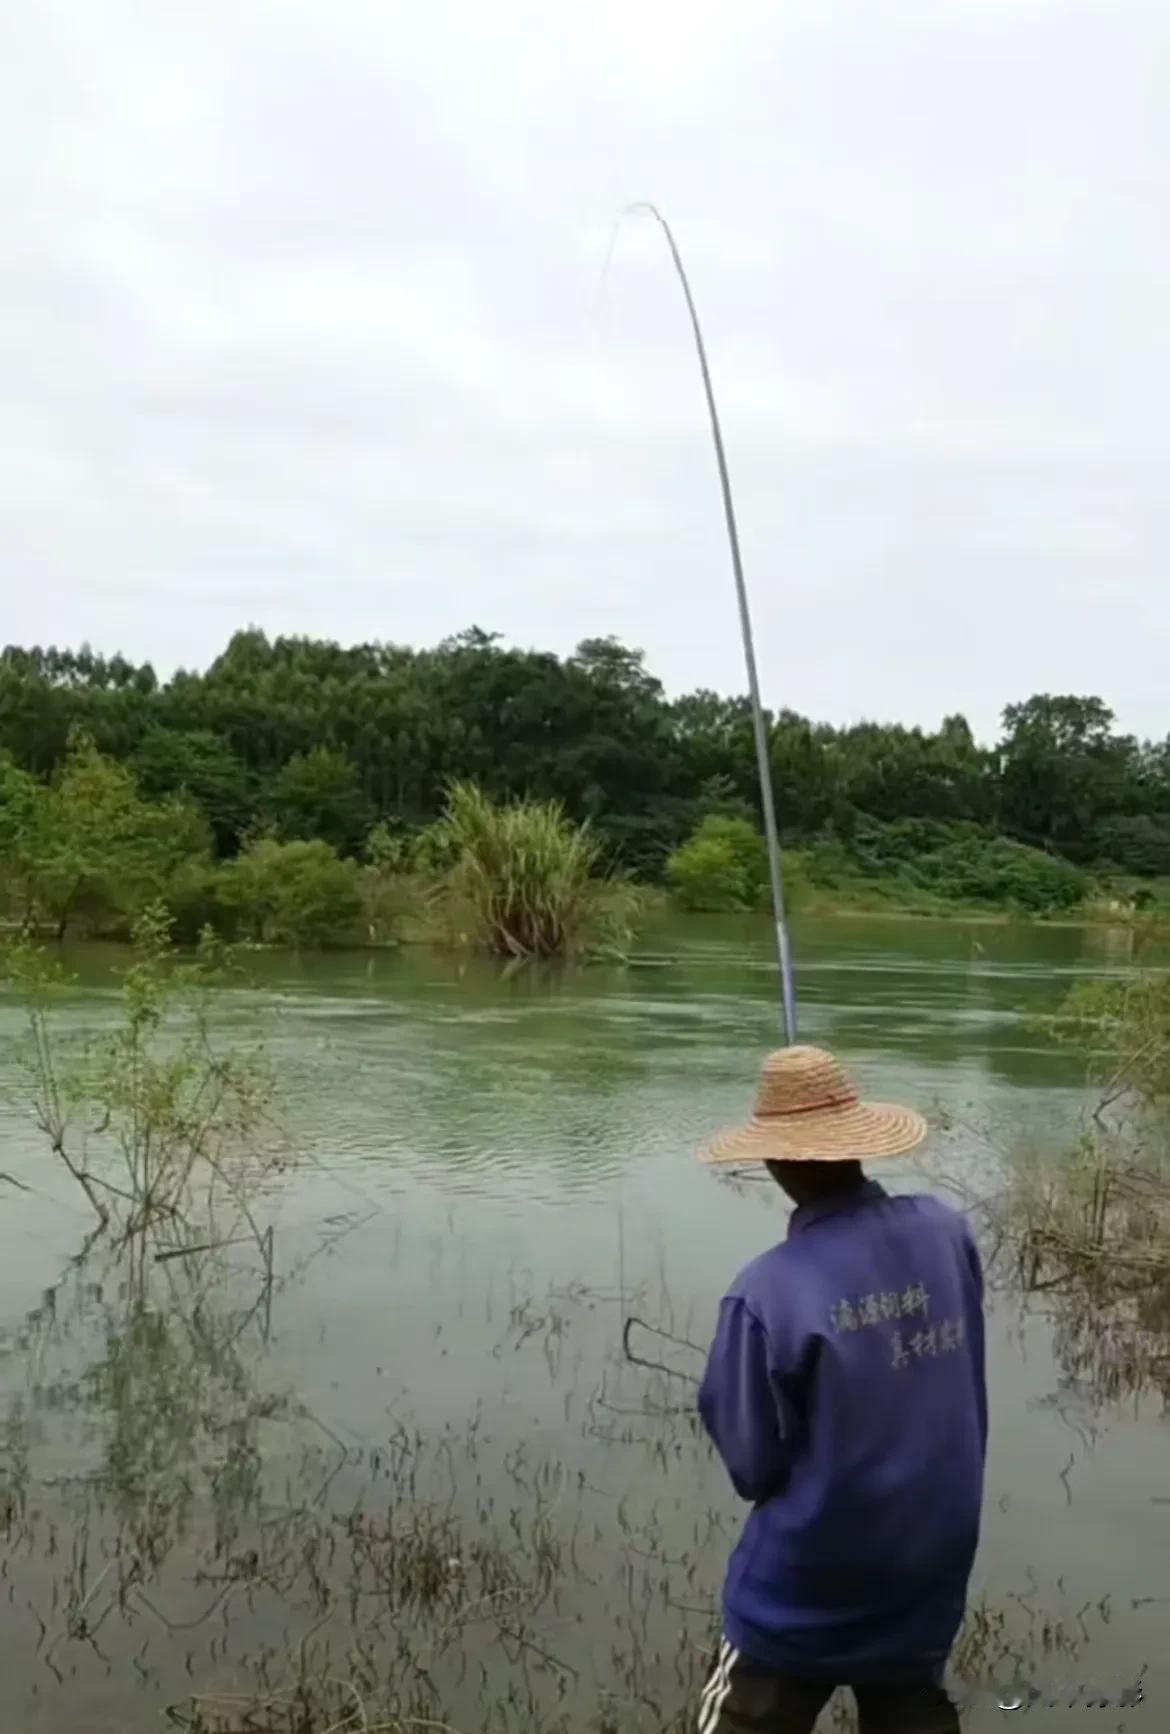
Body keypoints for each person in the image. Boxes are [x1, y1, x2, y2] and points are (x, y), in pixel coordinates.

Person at [694, 1045, 987, 1734]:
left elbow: (752, 1464)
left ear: (773, 1160)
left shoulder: (767, 1289)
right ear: (860, 1146)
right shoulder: (947, 1232)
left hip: (805, 1590)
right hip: (927, 1565)